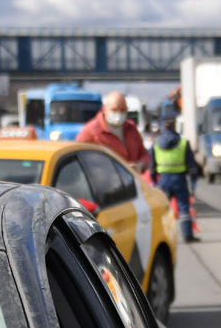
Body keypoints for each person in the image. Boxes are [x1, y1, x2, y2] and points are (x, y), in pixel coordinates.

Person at [150, 105, 199, 242]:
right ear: (175, 124)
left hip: (163, 180)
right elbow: (192, 167)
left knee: (163, 210)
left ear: (163, 125)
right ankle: (188, 235)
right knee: (183, 209)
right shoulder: (183, 143)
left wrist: (154, 182)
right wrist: (193, 185)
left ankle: (161, 238)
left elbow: (152, 166)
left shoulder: (156, 143)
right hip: (179, 179)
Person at [76, 91, 151, 172]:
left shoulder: (131, 128)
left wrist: (140, 165)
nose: (118, 113)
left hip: (132, 181)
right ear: (104, 109)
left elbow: (144, 154)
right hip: (104, 182)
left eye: (122, 110)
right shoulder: (90, 131)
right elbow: (80, 160)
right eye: (114, 110)